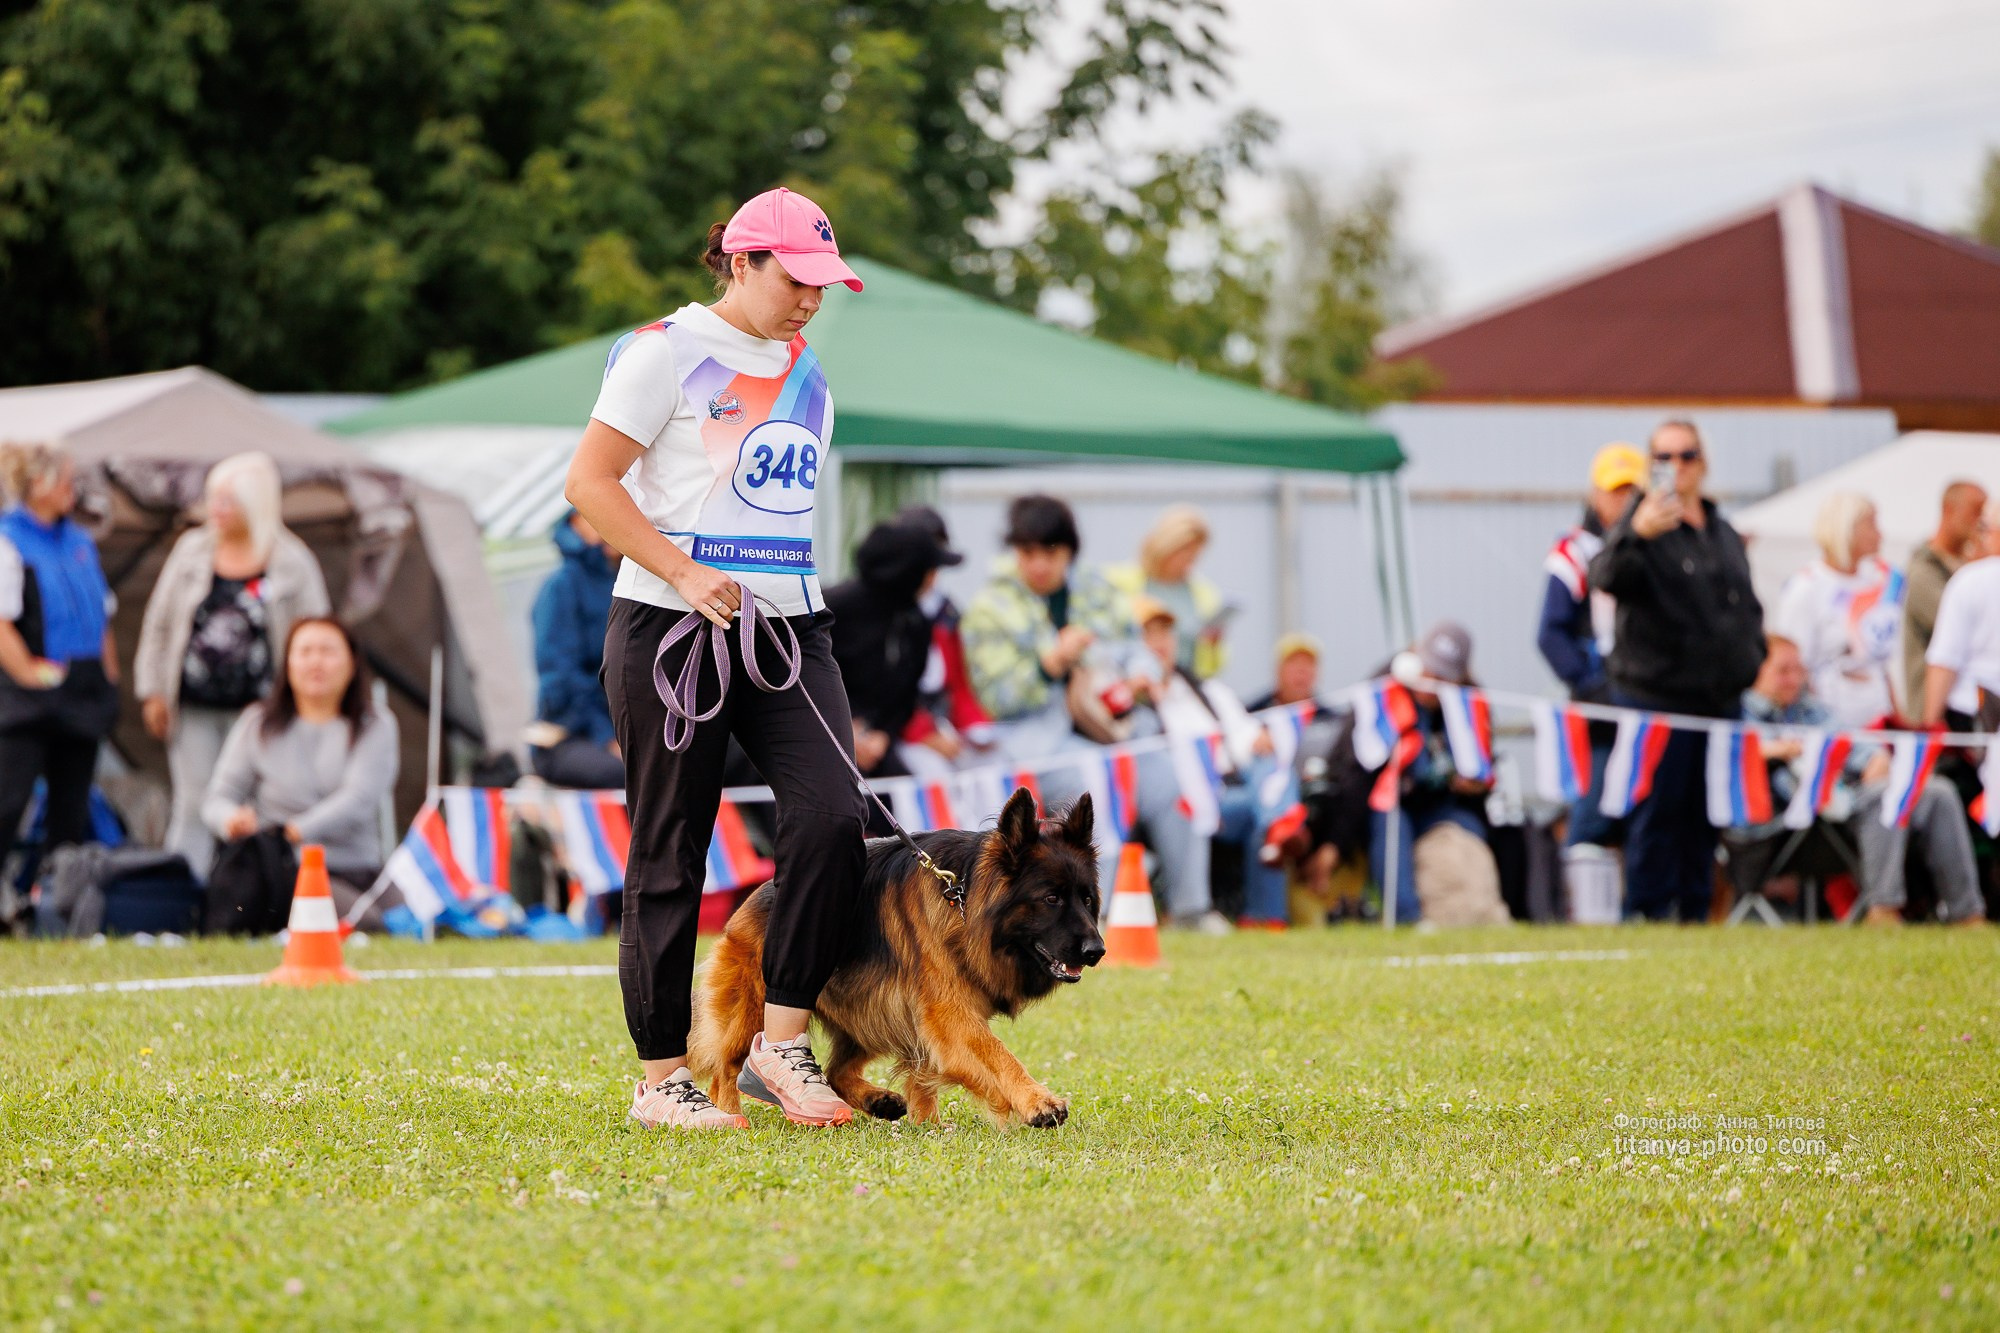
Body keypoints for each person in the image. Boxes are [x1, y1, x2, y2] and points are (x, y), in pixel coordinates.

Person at [564, 186, 869, 1131]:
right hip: (669, 626)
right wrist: (683, 571)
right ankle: (663, 1079)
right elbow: (589, 484)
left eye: (823, 285)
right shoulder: (663, 353)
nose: (810, 300)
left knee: (834, 817)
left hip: (789, 630)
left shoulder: (811, 375)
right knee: (672, 848)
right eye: (796, 280)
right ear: (742, 263)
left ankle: (782, 1042)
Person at [961, 494, 1210, 926]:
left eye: (1050, 552)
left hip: (1117, 730)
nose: (1039, 563)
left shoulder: (1098, 590)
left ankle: (1193, 910)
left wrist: (1142, 673)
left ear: (1069, 552)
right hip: (1037, 743)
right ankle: (1098, 918)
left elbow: (1136, 647)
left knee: (1174, 782)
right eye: (1028, 552)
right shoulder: (989, 608)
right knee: (1094, 789)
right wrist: (1048, 665)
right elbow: (995, 698)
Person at [1589, 419, 1763, 921]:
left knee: (1705, 816)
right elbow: (1604, 576)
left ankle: (1693, 913)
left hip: (1717, 698)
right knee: (1656, 812)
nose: (1676, 466)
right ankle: (1647, 913)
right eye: (1663, 457)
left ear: (1702, 463)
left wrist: (1751, 658)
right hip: (1657, 698)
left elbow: (1744, 605)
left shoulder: (1721, 529)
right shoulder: (1642, 523)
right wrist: (1636, 534)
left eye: (1686, 455)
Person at [135, 452, 330, 876]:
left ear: (256, 503)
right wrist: (152, 691)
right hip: (195, 707)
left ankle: (255, 893)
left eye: (228, 501)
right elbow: (159, 624)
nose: (216, 510)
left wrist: (311, 703)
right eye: (214, 499)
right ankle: (184, 894)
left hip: (264, 712)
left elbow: (319, 635)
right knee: (195, 803)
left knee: (261, 805)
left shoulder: (292, 562)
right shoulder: (192, 551)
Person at [1743, 635, 1984, 927]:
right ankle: (1883, 909)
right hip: (1794, 821)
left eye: (1798, 670)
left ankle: (1966, 912)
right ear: (1758, 670)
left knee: (1938, 791)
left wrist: (1875, 758)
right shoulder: (1742, 712)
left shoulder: (1811, 710)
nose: (1793, 679)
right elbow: (1733, 755)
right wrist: (1775, 750)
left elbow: (1855, 744)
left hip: (1846, 801)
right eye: (1783, 671)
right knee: (1885, 796)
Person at [202, 617, 399, 904]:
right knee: (365, 922)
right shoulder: (257, 722)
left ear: (352, 663)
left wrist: (293, 830)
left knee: (413, 918)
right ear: (288, 664)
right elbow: (217, 799)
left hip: (358, 865)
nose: (316, 662)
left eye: (328, 651)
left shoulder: (376, 724)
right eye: (305, 652)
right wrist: (231, 820)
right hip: (285, 867)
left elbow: (359, 798)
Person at [0, 441, 121, 882]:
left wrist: (109, 676)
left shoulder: (79, 541)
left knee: (71, 810)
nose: (74, 487)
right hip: (28, 703)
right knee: (8, 803)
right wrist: (30, 676)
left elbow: (103, 613)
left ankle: (57, 900)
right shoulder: (8, 540)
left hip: (83, 694)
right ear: (38, 484)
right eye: (66, 479)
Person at [1129, 595, 1286, 928]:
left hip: (1229, 789)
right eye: (1149, 635)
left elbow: (1242, 734)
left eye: (1165, 633)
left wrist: (1258, 739)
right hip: (1184, 797)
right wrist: (1140, 693)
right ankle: (1280, 821)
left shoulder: (1204, 690)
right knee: (1223, 798)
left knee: (1270, 773)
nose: (1159, 644)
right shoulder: (1132, 705)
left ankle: (1266, 917)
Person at [1538, 443, 1644, 865]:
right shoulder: (1574, 550)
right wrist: (1590, 684)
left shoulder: (1659, 544)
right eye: (1614, 491)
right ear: (1595, 494)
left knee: (1646, 810)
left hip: (1650, 697)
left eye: (1631, 491)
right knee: (1594, 806)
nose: (1623, 500)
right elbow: (1550, 633)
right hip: (1601, 708)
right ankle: (1574, 893)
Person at [824, 515, 963, 779]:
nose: (933, 579)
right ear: (908, 573)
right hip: (821, 732)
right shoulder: (832, 609)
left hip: (876, 746)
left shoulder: (916, 623)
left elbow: (905, 697)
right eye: (929, 570)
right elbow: (803, 675)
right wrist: (844, 728)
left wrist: (883, 734)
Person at [1772, 492, 1902, 730]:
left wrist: (1897, 716)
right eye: (1871, 524)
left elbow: (1882, 664)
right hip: (1830, 725)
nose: (1880, 534)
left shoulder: (1877, 582)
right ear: (1846, 527)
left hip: (1879, 720)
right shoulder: (1807, 587)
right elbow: (1791, 664)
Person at [892, 506, 995, 779]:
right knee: (936, 777)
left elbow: (959, 687)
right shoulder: (886, 613)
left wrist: (978, 729)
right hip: (898, 733)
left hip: (942, 724)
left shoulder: (945, 613)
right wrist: (925, 735)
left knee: (994, 767)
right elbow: (883, 695)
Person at [527, 509, 623, 790]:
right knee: (627, 775)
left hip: (629, 727)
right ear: (574, 523)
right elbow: (561, 675)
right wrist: (607, 737)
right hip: (568, 734)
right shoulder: (561, 587)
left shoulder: (631, 584)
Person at [1106, 504, 1229, 681]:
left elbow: (1210, 668)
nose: (1188, 561)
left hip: (1183, 684)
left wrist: (1212, 644)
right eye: (1184, 552)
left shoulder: (1204, 595)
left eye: (1194, 555)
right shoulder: (1118, 583)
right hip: (1131, 682)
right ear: (1166, 546)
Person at [1901, 480, 1985, 721]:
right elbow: (1962, 628)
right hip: (1935, 713)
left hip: (1967, 709)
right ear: (1950, 510)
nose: (1980, 522)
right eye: (1975, 511)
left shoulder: (1963, 565)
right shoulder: (1923, 572)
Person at [1920, 494, 2000, 730]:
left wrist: (1930, 728)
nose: (1980, 536)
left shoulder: (1971, 580)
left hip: (1974, 715)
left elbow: (1945, 660)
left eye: (1984, 528)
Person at [1247, 632, 1329, 714]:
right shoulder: (1252, 714)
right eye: (1294, 662)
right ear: (1278, 669)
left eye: (1308, 663)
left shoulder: (1328, 717)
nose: (1302, 670)